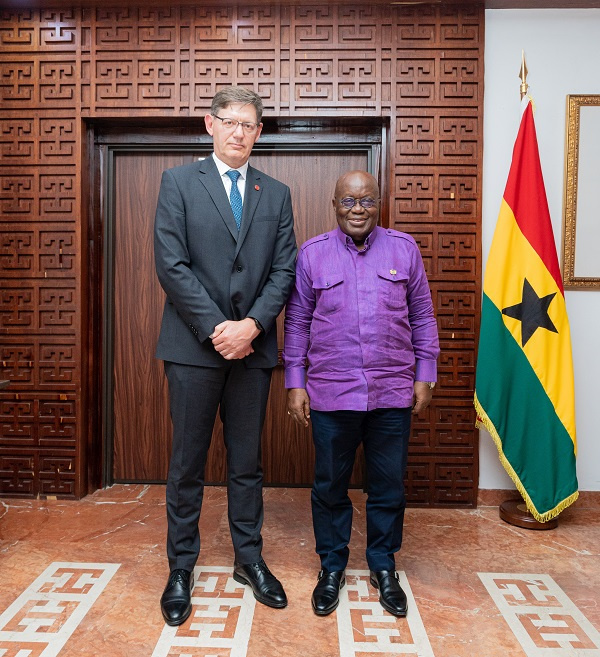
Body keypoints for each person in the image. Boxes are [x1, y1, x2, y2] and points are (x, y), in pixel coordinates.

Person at [154, 86, 297, 626]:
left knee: (247, 462)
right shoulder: (177, 183)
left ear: (259, 133)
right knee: (187, 463)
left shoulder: (276, 193)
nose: (239, 132)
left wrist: (253, 326)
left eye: (249, 124)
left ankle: (249, 559)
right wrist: (219, 329)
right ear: (209, 125)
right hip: (193, 348)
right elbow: (171, 265)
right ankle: (180, 566)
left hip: (253, 350)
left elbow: (285, 269)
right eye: (229, 121)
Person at [283, 171, 439, 618]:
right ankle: (331, 566)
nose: (358, 209)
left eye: (367, 201)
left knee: (387, 487)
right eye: (349, 201)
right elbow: (296, 323)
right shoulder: (313, 255)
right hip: (332, 394)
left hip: (392, 392)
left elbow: (424, 316)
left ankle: (382, 565)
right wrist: (296, 381)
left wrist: (424, 373)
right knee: (330, 487)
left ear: (379, 203)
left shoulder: (403, 249)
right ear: (334, 204)